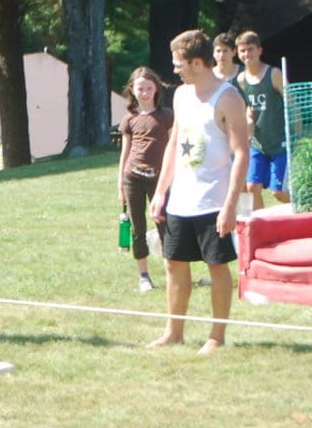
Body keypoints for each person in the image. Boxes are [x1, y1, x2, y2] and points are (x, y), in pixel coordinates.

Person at [148, 29, 250, 354]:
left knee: (216, 266)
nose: (175, 69)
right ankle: (173, 331)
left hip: (214, 200)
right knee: (173, 263)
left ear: (196, 62)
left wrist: (230, 205)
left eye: (179, 63)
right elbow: (174, 144)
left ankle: (216, 337)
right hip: (181, 199)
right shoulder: (180, 95)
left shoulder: (228, 97)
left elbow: (241, 153)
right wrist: (161, 192)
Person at [117, 66, 173, 294]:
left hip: (159, 180)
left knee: (166, 226)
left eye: (149, 88)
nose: (145, 93)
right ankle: (144, 276)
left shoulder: (166, 116)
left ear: (156, 89)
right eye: (140, 88)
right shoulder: (129, 120)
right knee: (138, 228)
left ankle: (173, 274)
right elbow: (125, 153)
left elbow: (173, 147)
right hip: (133, 179)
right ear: (132, 90)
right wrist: (120, 184)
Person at [234, 30, 288, 210]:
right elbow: (249, 106)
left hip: (280, 142)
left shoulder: (274, 74)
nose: (246, 54)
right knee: (251, 187)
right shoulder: (241, 79)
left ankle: (304, 209)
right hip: (258, 143)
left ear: (259, 50)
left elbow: (292, 102)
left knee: (278, 192)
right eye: (242, 50)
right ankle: (260, 222)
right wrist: (248, 119)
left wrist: (296, 131)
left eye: (250, 49)